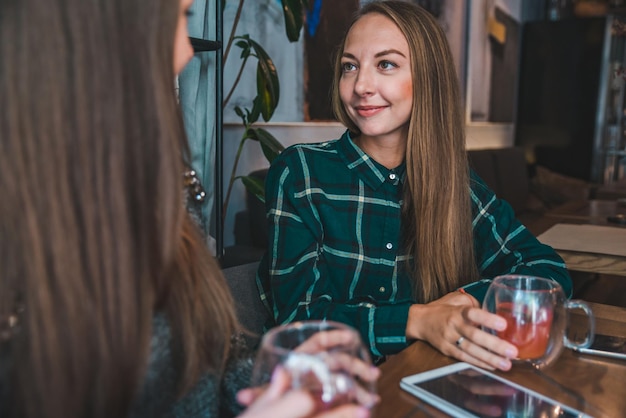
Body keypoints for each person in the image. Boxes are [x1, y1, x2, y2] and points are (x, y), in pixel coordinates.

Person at [0, 0, 376, 417]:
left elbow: (211, 364)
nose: (187, 51)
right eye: (179, 17)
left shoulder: (162, 182)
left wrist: (284, 383)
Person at [257, 0, 572, 372]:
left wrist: (462, 303)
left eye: (385, 64)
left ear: (427, 77)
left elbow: (549, 273)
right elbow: (297, 322)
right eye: (350, 66)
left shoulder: (457, 186)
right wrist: (420, 320)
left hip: (426, 390)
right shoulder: (301, 173)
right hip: (326, 393)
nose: (361, 85)